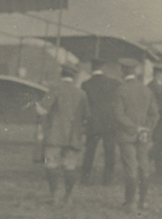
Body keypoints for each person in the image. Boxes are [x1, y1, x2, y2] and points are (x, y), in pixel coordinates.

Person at [34, 65, 89, 204]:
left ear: (61, 75)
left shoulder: (55, 90)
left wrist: (36, 104)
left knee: (51, 164)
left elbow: (42, 110)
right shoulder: (81, 93)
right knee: (70, 166)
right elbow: (87, 115)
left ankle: (54, 196)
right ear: (74, 77)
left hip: (55, 134)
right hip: (73, 136)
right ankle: (68, 196)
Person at [114, 59, 159, 211]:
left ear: (123, 71)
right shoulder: (146, 90)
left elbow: (119, 115)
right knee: (144, 167)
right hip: (143, 136)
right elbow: (154, 114)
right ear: (136, 72)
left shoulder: (120, 90)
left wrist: (135, 128)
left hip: (127, 135)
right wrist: (146, 129)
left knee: (131, 168)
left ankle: (130, 203)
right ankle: (143, 201)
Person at [79, 59, 123, 185]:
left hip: (93, 122)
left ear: (92, 68)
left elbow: (85, 105)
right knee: (110, 152)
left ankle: (85, 178)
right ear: (103, 68)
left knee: (90, 151)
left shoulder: (86, 84)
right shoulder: (114, 83)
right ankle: (107, 180)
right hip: (109, 122)